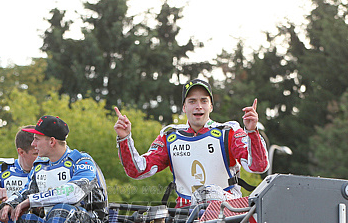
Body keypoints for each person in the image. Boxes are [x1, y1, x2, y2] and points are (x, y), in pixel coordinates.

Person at [114, 78, 270, 207]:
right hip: (185, 219)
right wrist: (124, 138)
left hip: (227, 214)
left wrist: (252, 132)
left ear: (211, 106)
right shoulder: (169, 136)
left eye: (204, 101)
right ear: (184, 107)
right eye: (192, 101)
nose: (199, 106)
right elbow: (137, 170)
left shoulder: (229, 131)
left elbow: (258, 166)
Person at [0, 115, 108, 223]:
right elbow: (26, 192)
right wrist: (9, 205)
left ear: (52, 142)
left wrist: (32, 201)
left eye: (36, 139)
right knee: (3, 219)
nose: (33, 144)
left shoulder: (81, 160)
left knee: (59, 212)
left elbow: (74, 192)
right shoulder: (40, 165)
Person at [0, 127, 39, 200]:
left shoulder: (48, 169)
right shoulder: (1, 171)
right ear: (21, 152)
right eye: (36, 154)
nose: (42, 157)